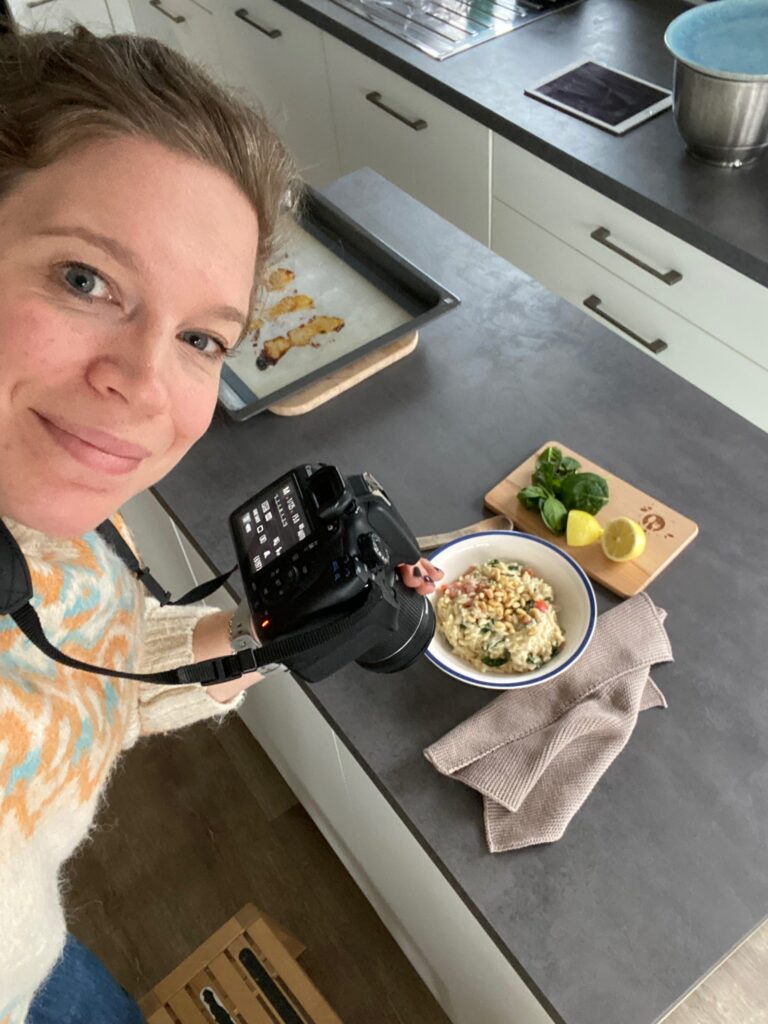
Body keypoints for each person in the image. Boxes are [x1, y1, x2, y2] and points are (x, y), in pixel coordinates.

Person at [0, 25, 443, 1024]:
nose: (144, 383)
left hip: (42, 955)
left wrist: (263, 630)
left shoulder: (47, 514)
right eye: (84, 278)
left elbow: (94, 667)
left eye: (202, 338)